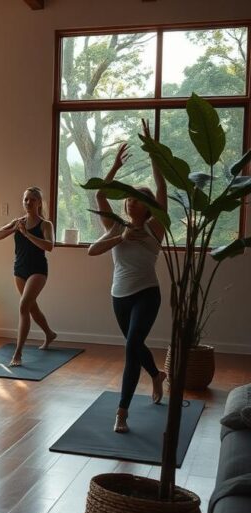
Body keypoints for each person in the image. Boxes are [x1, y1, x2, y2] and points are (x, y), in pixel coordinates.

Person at [88, 120, 168, 433]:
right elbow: (99, 197)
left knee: (132, 346)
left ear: (148, 208)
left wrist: (153, 152)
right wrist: (114, 167)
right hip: (118, 296)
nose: (131, 201)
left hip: (147, 294)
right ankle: (157, 375)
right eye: (129, 198)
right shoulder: (116, 227)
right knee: (135, 345)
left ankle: (122, 411)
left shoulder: (155, 227)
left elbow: (162, 189)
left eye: (137, 199)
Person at [0, 187, 57, 366]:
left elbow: (49, 246)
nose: (28, 203)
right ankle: (49, 334)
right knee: (31, 308)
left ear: (39, 203)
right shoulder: (18, 222)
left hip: (38, 270)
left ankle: (18, 353)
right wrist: (13, 229)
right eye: (26, 199)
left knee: (23, 306)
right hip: (19, 270)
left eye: (32, 200)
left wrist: (27, 234)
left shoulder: (45, 224)